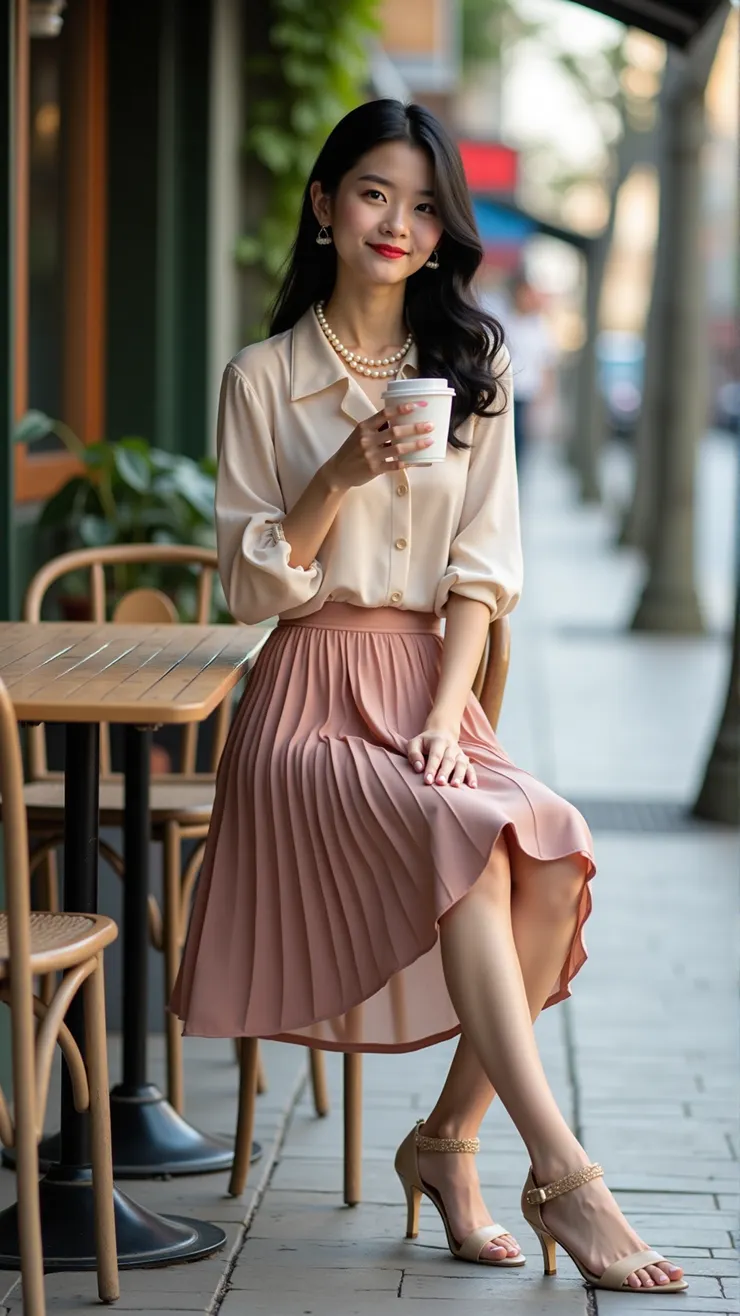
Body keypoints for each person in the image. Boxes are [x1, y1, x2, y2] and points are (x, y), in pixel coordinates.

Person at [170, 100, 686, 1295]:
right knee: (469, 838)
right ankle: (562, 1174)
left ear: (441, 224)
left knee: (547, 843)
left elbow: (484, 570)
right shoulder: (261, 378)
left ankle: (446, 1141)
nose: (395, 223)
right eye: (370, 195)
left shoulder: (475, 362)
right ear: (323, 206)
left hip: (427, 684)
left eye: (418, 203)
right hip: (303, 696)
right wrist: (337, 472)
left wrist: (451, 713)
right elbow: (253, 589)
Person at [502, 273, 557, 468]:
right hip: (504, 390)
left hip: (527, 392)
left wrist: (544, 397)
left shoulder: (540, 327)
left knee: (522, 441)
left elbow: (546, 363)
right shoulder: (505, 321)